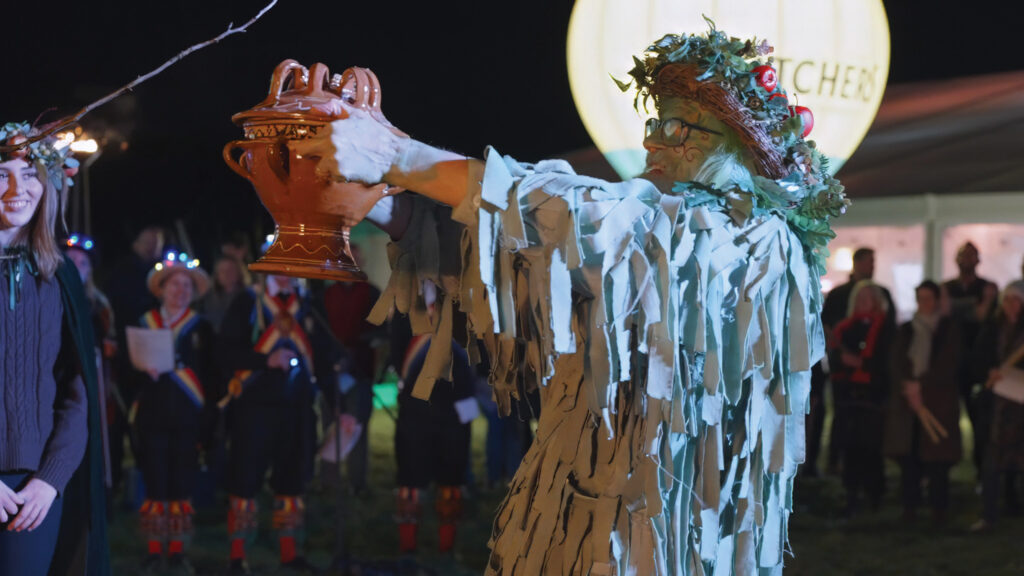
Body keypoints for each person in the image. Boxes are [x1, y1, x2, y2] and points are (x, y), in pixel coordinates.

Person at [293, 23, 846, 574]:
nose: (652, 139)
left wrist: (395, 154)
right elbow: (524, 266)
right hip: (579, 520)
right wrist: (381, 207)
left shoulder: (757, 240)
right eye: (655, 121)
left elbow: (591, 222)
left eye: (678, 126)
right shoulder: (651, 248)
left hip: (668, 543)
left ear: (737, 151)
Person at [0, 122, 110, 574]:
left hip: (33, 487)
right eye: (1, 174)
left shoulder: (57, 275)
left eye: (28, 175)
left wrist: (50, 479)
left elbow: (77, 388)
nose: (16, 189)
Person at [220, 273, 327, 574]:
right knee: (245, 478)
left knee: (292, 479)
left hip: (297, 407)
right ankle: (237, 557)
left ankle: (289, 554)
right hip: (254, 408)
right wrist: (263, 361)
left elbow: (323, 351)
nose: (285, 271)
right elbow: (225, 352)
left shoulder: (308, 304)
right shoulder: (247, 302)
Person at [130, 254, 218, 573]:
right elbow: (128, 374)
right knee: (155, 482)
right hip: (152, 416)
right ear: (162, 289)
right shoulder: (143, 323)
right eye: (174, 284)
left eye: (186, 286)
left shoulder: (203, 328)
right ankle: (154, 549)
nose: (180, 290)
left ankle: (178, 549)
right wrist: (142, 372)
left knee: (182, 483)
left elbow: (212, 376)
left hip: (188, 420)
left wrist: (208, 423)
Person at [883, 280, 962, 523]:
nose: (924, 303)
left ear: (937, 300)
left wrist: (923, 385)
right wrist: (908, 385)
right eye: (921, 298)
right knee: (910, 457)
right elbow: (896, 360)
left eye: (929, 298)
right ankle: (910, 507)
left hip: (938, 402)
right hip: (909, 403)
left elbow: (950, 362)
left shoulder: (948, 329)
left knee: (938, 457)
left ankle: (939, 509)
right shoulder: (907, 329)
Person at [815, 247, 895, 477]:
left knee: (871, 427)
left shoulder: (882, 297)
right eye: (869, 261)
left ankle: (871, 476)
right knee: (843, 421)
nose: (873, 266)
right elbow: (828, 328)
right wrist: (840, 357)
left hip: (872, 379)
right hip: (846, 377)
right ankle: (838, 464)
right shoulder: (839, 295)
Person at [830, 281, 894, 515]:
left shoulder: (885, 329)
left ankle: (874, 493)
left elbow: (885, 361)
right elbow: (835, 359)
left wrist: (862, 364)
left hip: (872, 396)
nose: (863, 302)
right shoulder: (845, 329)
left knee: (871, 447)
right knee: (851, 447)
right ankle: (851, 492)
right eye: (860, 297)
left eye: (868, 297)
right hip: (848, 396)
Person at [323, 244, 382, 495]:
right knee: (331, 424)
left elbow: (380, 330)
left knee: (357, 426)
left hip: (360, 370)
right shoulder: (326, 295)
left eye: (356, 259)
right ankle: (329, 481)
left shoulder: (372, 294)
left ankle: (357, 482)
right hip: (332, 372)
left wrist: (359, 347)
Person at [971, 280, 1024, 531]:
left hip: (1020, 407)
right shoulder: (992, 328)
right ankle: (989, 514)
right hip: (997, 410)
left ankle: (1014, 504)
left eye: (1017, 301)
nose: (1012, 306)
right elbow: (980, 358)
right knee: (992, 461)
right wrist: (989, 372)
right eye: (1008, 300)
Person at [943, 241, 998, 474]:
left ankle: (981, 472)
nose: (968, 259)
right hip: (951, 362)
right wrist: (974, 306)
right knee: (946, 416)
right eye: (964, 255)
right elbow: (946, 312)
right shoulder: (947, 287)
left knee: (980, 419)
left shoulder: (988, 287)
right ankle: (942, 470)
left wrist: (960, 307)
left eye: (972, 255)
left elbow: (983, 315)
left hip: (978, 363)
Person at [198, 254, 250, 333]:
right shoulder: (208, 300)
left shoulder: (250, 297)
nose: (227, 274)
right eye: (222, 271)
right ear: (217, 275)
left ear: (239, 272)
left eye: (231, 270)